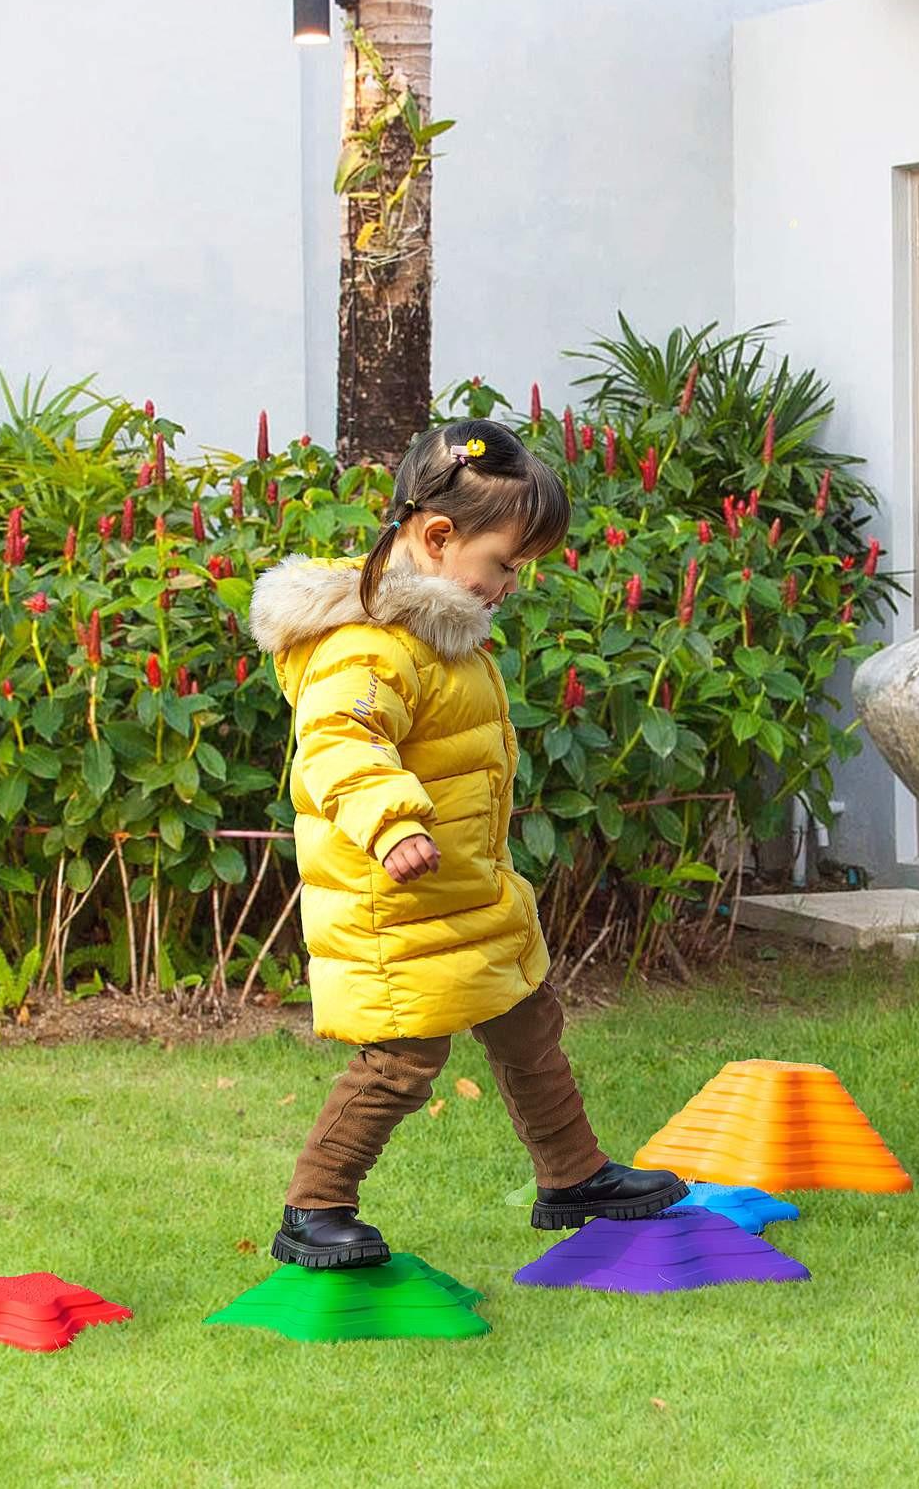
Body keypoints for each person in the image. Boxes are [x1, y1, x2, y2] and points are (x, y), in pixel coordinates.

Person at [247, 419, 685, 1269]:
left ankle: (574, 1176)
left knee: (530, 1024)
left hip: (465, 891)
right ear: (439, 537)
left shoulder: (437, 631)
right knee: (402, 1061)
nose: (513, 584)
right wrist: (393, 823)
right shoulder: (369, 644)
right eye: (507, 564)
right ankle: (315, 1206)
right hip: (398, 897)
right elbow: (339, 740)